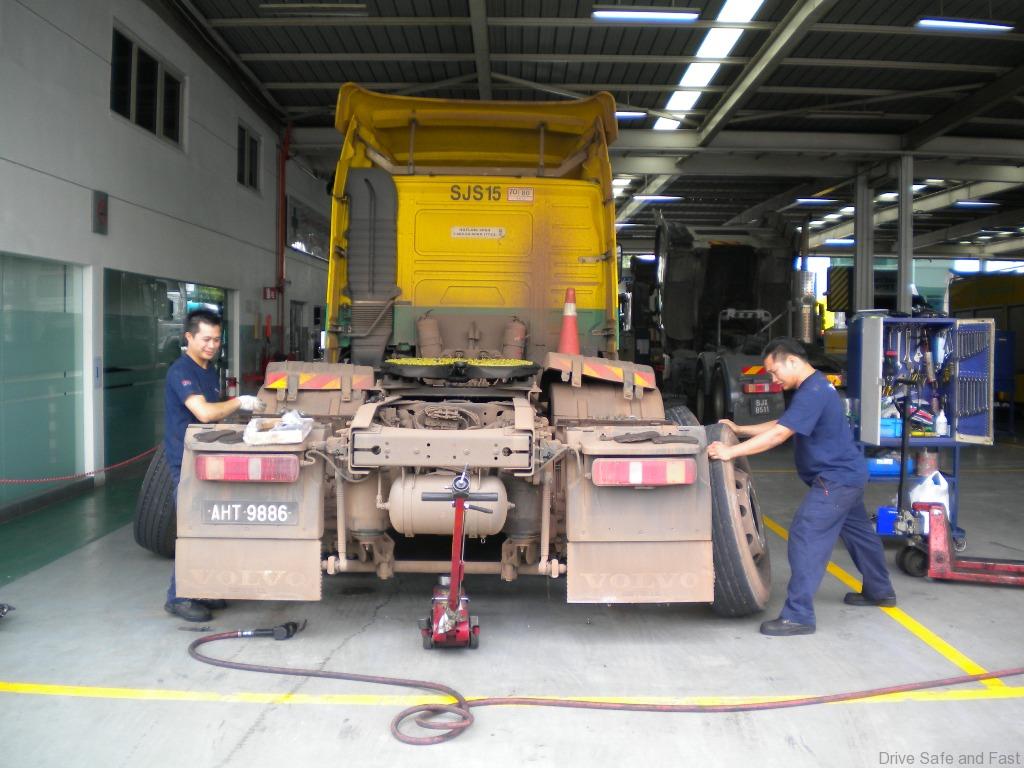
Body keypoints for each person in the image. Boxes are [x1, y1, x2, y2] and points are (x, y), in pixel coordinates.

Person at [707, 337, 896, 637]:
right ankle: (880, 590)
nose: (773, 379)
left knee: (806, 534)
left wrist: (731, 452)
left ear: (793, 361)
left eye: (774, 371)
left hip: (836, 480)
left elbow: (780, 435)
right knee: (860, 535)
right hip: (849, 475)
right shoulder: (815, 388)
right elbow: (784, 424)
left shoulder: (813, 391)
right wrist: (740, 429)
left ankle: (798, 615)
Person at [163, 309, 264, 621]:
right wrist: (240, 402)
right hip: (186, 462)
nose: (212, 345)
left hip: (207, 457)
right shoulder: (181, 371)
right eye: (205, 339)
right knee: (192, 528)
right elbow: (205, 413)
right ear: (189, 337)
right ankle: (178, 596)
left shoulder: (208, 370)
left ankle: (202, 587)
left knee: (213, 525)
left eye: (217, 340)